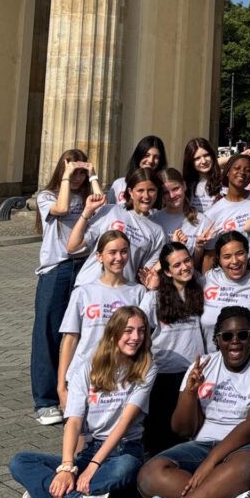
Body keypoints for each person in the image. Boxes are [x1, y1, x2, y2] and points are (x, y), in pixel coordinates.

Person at [123, 306, 250, 498]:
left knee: (248, 465)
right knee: (150, 473)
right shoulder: (202, 365)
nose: (235, 341)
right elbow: (181, 429)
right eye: (227, 336)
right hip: (203, 444)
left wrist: (210, 463)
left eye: (243, 335)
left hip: (246, 447)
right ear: (217, 340)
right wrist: (190, 393)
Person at [10, 307, 156, 498]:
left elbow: (124, 423)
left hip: (124, 449)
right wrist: (67, 468)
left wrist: (92, 468)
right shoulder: (87, 368)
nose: (136, 337)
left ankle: (45, 491)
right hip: (90, 449)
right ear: (114, 333)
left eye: (141, 331)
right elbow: (74, 422)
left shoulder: (147, 367)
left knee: (126, 468)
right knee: (19, 461)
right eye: (128, 331)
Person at [31, 148, 104, 425]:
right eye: (74, 171)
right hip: (56, 269)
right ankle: (46, 401)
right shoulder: (47, 196)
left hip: (84, 266)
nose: (78, 177)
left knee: (81, 334)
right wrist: (67, 175)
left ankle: (76, 393)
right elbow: (61, 210)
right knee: (48, 334)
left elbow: (101, 200)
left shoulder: (87, 195)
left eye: (81, 173)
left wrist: (94, 174)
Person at [57, 231, 149, 411]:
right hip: (84, 376)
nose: (119, 257)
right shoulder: (83, 292)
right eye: (112, 252)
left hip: (122, 379)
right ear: (99, 256)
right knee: (78, 435)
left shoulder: (138, 292)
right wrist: (61, 387)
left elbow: (143, 340)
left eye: (124, 252)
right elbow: (70, 340)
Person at [139, 242, 206, 455]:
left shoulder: (202, 288)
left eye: (187, 260)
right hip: (163, 377)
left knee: (190, 434)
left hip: (194, 374)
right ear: (167, 271)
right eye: (176, 265)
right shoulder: (153, 298)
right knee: (161, 438)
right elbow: (139, 333)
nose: (185, 267)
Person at [69, 168, 166, 287]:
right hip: (89, 286)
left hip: (122, 294)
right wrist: (87, 212)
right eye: (140, 190)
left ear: (157, 192)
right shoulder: (110, 211)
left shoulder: (158, 232)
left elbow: (146, 274)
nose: (146, 196)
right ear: (130, 192)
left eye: (151, 190)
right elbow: (73, 247)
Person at [201, 231, 250, 353]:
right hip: (213, 363)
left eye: (240, 254)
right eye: (227, 256)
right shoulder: (208, 279)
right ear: (219, 259)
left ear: (248, 254)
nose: (234, 261)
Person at [203, 154, 250, 271]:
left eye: (247, 170)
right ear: (228, 172)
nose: (242, 172)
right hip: (229, 276)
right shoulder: (213, 213)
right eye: (237, 168)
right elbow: (210, 256)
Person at [151, 168, 212, 261]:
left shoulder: (202, 220)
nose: (172, 195)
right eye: (166, 192)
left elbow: (197, 264)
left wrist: (199, 247)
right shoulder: (154, 220)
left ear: (184, 185)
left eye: (175, 189)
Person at [107, 135, 168, 204]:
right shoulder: (119, 184)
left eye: (156, 157)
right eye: (146, 155)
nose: (151, 160)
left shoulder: (164, 188)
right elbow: (107, 210)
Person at [182, 137, 222, 213]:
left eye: (206, 155)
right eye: (197, 158)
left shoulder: (223, 181)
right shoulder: (186, 185)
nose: (203, 161)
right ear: (190, 162)